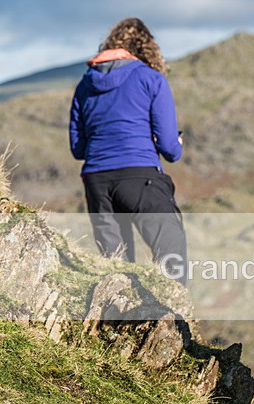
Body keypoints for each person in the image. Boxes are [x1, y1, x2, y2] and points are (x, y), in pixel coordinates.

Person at [69, 17, 187, 282]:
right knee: (171, 255)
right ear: (146, 50)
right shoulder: (150, 79)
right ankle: (171, 320)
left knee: (115, 271)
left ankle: (119, 322)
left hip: (97, 182)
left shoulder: (84, 86)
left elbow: (78, 148)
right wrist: (174, 144)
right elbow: (170, 149)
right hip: (141, 177)